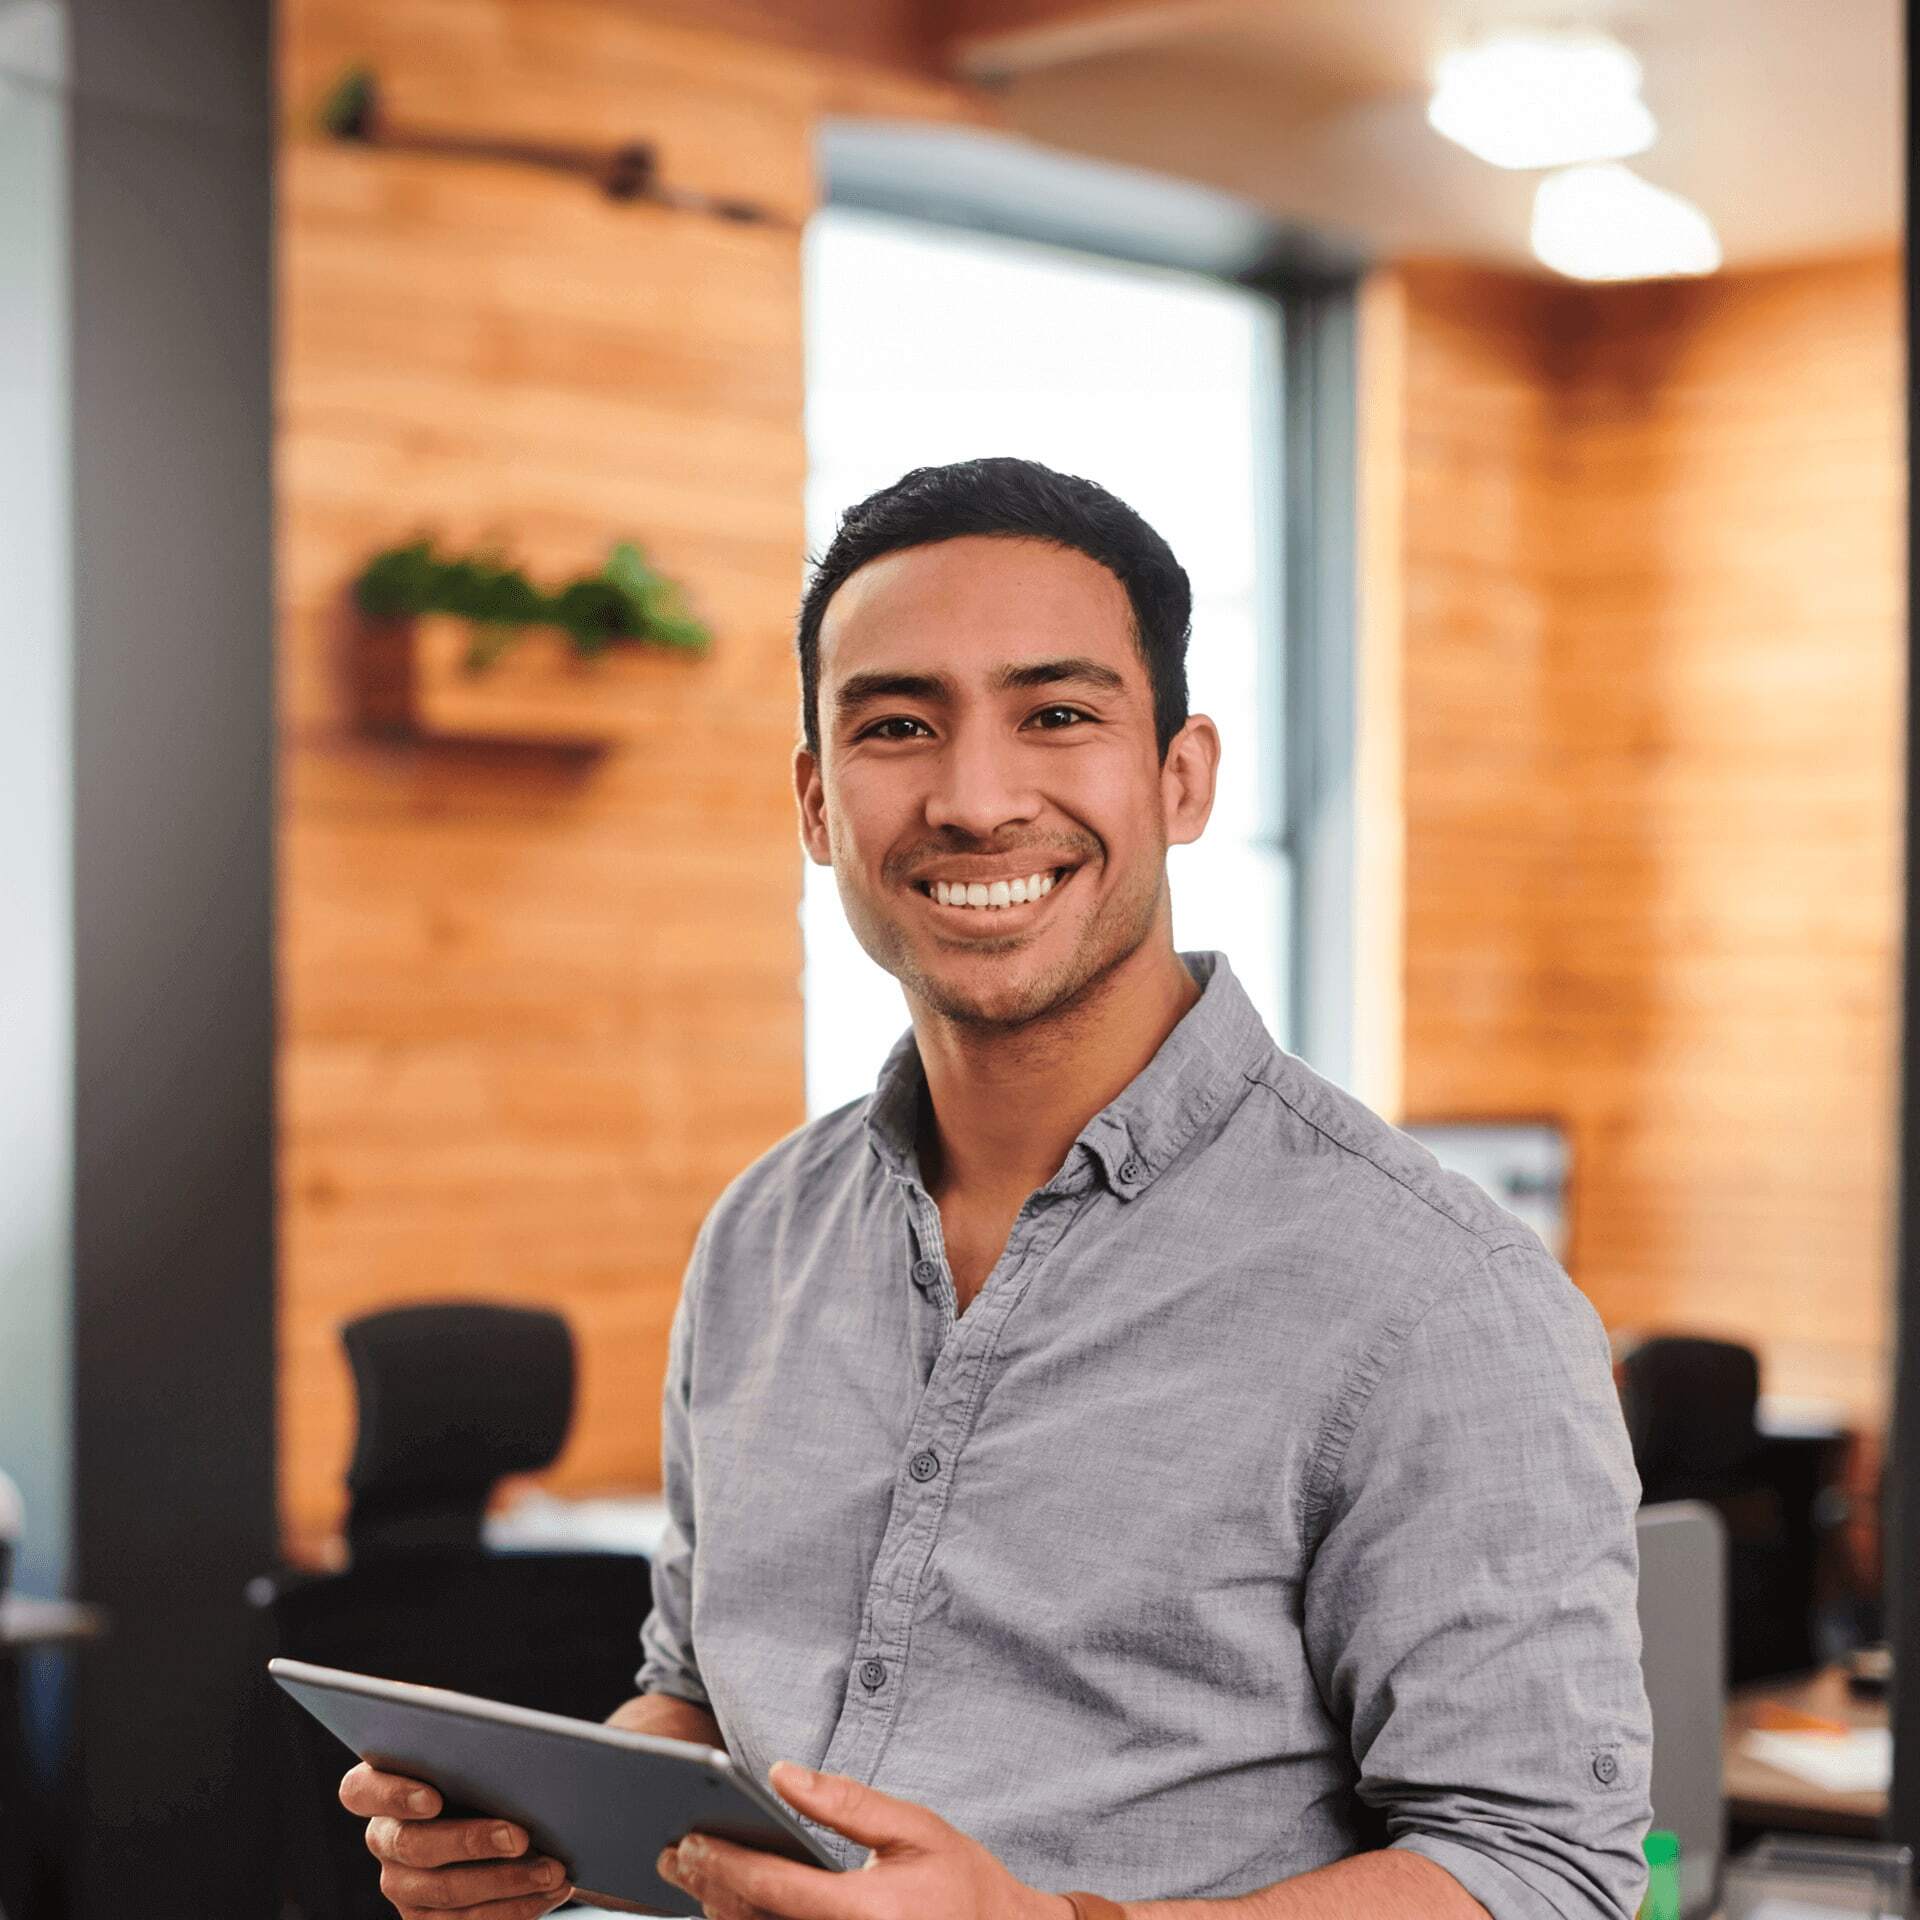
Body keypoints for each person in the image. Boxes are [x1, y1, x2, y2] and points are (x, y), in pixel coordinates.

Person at [343, 458, 1654, 1920]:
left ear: (1181, 779)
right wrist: (548, 1825)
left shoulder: (1437, 1295)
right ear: (817, 803)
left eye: (1059, 715)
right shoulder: (760, 1240)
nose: (973, 800)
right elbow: (699, 1698)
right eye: (897, 725)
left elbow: (1542, 1870)